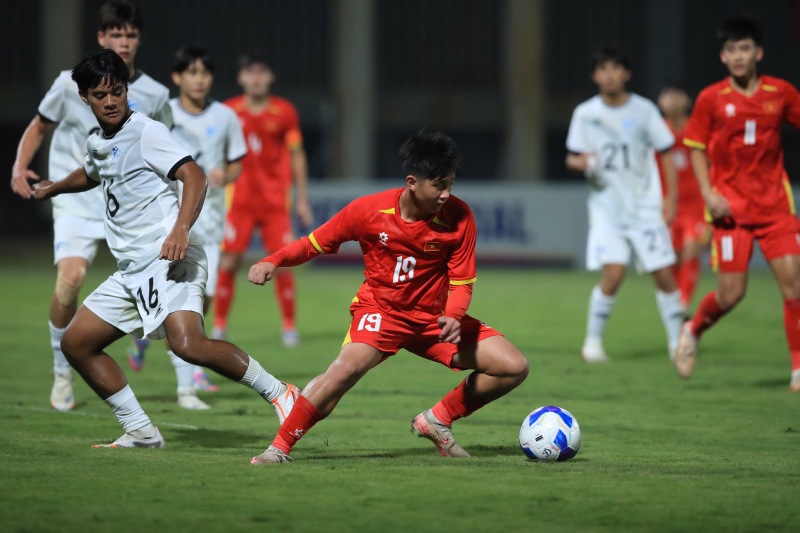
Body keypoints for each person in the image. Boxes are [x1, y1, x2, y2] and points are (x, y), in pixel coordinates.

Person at [28, 49, 299, 448]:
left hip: (170, 256)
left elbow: (195, 176)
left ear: (125, 90)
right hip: (132, 269)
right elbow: (91, 171)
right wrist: (54, 186)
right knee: (77, 343)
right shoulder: (99, 140)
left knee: (187, 344)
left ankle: (280, 392)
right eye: (100, 95)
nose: (110, 101)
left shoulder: (145, 130)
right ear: (85, 98)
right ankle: (140, 430)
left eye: (116, 91)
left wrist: (180, 230)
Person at [246, 130, 529, 464]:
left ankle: (436, 420)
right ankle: (279, 448)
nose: (446, 194)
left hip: (435, 320)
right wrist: (272, 260)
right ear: (413, 182)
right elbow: (313, 243)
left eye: (451, 184)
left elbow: (462, 282)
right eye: (439, 185)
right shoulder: (368, 211)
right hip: (382, 314)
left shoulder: (460, 217)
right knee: (344, 371)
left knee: (513, 367)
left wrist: (452, 316)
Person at [10, 0, 172, 413]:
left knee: (154, 292)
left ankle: (146, 344)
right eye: (115, 33)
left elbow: (166, 149)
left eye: (130, 34)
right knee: (70, 280)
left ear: (139, 39)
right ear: (101, 37)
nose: (123, 40)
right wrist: (20, 165)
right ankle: (63, 371)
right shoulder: (70, 83)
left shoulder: (154, 94)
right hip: (77, 200)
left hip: (133, 207)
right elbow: (40, 125)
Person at [675, 13, 800, 392]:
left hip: (776, 208)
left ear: (758, 52)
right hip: (731, 212)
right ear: (723, 57)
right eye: (732, 50)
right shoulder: (711, 99)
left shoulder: (781, 93)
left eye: (745, 48)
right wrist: (709, 195)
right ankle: (693, 328)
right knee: (732, 295)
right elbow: (695, 148)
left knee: (794, 287)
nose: (739, 55)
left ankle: (798, 368)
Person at [126, 45, 248, 409]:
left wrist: (225, 175)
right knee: (183, 299)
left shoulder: (226, 116)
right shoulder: (164, 114)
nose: (199, 79)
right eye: (191, 73)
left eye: (205, 73)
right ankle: (187, 385)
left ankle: (149, 335)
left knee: (204, 296)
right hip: (168, 221)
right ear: (177, 78)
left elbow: (236, 162)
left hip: (210, 220)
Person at [565, 44, 685, 363]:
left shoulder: (644, 110)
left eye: (615, 68)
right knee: (614, 274)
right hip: (606, 210)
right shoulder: (585, 113)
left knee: (663, 274)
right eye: (603, 69)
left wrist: (670, 198)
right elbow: (572, 157)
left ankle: (677, 343)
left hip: (645, 207)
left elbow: (666, 151)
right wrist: (582, 163)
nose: (609, 74)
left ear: (627, 73)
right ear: (595, 75)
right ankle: (592, 344)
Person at [213, 50, 313, 347]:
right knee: (228, 262)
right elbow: (215, 151)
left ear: (270, 77)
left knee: (282, 261)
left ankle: (289, 327)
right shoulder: (227, 111)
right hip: (238, 201)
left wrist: (302, 199)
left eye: (262, 72)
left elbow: (297, 155)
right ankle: (218, 326)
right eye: (250, 72)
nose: (256, 78)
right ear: (240, 77)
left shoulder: (284, 112)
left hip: (273, 203)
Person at [656, 85, 711, 308]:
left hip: (696, 204)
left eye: (676, 95)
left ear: (687, 100)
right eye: (666, 95)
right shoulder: (656, 131)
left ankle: (683, 302)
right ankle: (675, 303)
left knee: (691, 248)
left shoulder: (697, 129)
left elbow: (711, 164)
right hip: (668, 205)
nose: (671, 100)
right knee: (674, 257)